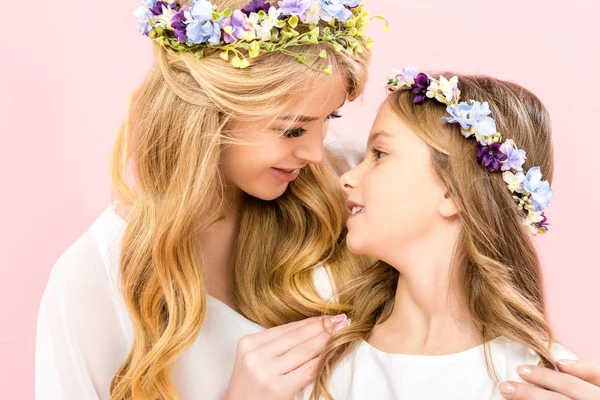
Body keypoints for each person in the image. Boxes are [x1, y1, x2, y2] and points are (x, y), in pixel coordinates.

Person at [35, 1, 373, 398]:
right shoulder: (94, 278)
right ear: (209, 114)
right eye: (293, 130)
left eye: (328, 119)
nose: (316, 154)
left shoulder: (351, 176)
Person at [304, 67, 600, 400]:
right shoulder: (320, 364)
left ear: (453, 192)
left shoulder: (543, 380)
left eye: (380, 154)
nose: (347, 177)